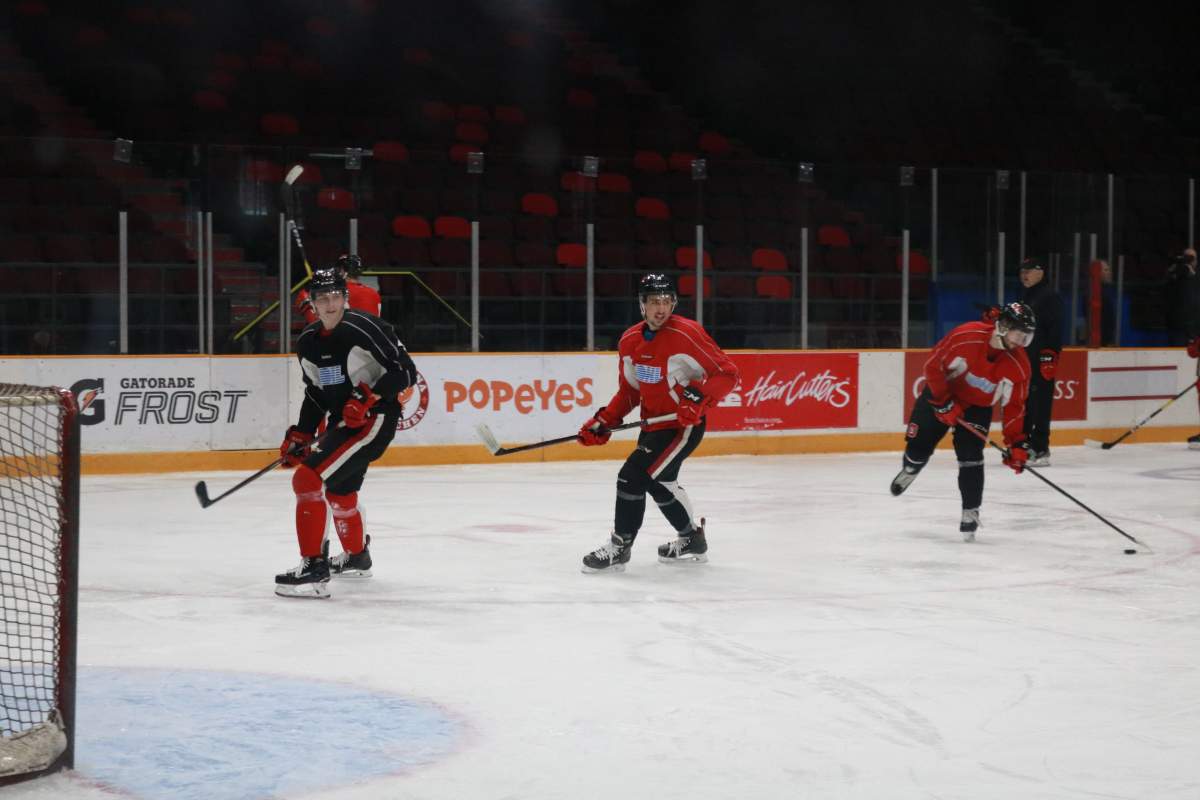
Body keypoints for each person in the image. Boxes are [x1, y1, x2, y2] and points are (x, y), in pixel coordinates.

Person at [576, 272, 739, 572]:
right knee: (659, 483)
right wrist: (604, 421)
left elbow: (727, 373)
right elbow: (629, 392)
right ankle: (692, 539)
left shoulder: (687, 333)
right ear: (642, 305)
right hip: (653, 426)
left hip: (683, 426)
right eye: (654, 302)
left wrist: (696, 399)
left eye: (666, 301)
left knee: (632, 477)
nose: (661, 308)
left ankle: (619, 547)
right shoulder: (629, 341)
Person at [275, 267, 416, 598]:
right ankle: (356, 557)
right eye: (322, 298)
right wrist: (300, 434)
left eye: (335, 296)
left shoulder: (366, 328)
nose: (330, 304)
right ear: (311, 302)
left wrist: (370, 396)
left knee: (307, 480)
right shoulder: (308, 342)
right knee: (340, 495)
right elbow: (316, 395)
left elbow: (405, 372)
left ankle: (313, 570)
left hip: (375, 420)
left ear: (345, 298)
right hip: (344, 424)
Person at [890, 302, 1036, 541]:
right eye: (1019, 334)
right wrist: (943, 400)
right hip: (942, 393)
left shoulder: (1019, 365)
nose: (1021, 341)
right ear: (1004, 326)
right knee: (918, 448)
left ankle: (970, 510)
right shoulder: (966, 335)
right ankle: (911, 467)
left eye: (1026, 337)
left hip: (977, 407)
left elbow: (1014, 407)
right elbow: (933, 366)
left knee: (971, 458)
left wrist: (1017, 443)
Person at [1018, 258, 1063, 466]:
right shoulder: (1027, 296)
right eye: (1022, 271)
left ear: (1041, 272)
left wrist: (1049, 356)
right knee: (1025, 402)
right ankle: (1025, 443)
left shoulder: (1049, 297)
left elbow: (1055, 329)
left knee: (1040, 403)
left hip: (1041, 359)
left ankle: (1041, 448)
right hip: (1024, 358)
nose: (1024, 275)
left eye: (1028, 270)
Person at [295, 253, 382, 324]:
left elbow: (320, 325)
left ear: (342, 271)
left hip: (344, 342)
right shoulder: (374, 293)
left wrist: (307, 303)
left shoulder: (336, 292)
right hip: (371, 341)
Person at [1163, 248, 1197, 346]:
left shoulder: (1195, 275)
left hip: (1194, 323)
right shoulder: (1176, 271)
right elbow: (1168, 280)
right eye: (1188, 257)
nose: (1191, 261)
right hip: (1179, 323)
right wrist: (1176, 266)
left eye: (1192, 258)